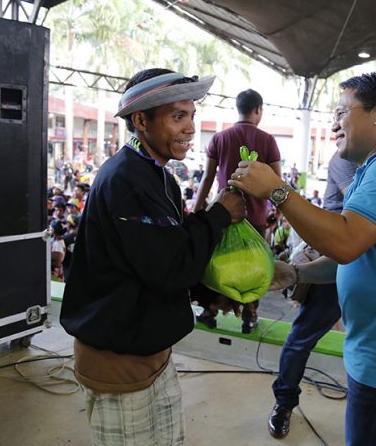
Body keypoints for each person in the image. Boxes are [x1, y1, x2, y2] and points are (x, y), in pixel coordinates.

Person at [230, 71, 376, 446]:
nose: (334, 123)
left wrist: (278, 190)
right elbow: (356, 255)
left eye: (341, 111)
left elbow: (346, 243)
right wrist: (297, 273)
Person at [59, 68, 246, 446]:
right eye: (178, 116)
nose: (191, 128)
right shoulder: (126, 180)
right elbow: (169, 267)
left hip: (151, 353)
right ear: (141, 120)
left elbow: (160, 254)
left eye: (192, 115)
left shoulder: (159, 176)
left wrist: (210, 293)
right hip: (119, 360)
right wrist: (220, 215)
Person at [267, 150, 357, 439]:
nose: (337, 126)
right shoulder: (346, 158)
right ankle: (284, 403)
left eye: (344, 115)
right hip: (332, 259)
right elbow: (361, 203)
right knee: (302, 337)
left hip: (371, 266)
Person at [193, 88, 281, 332]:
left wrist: (199, 210)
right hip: (255, 219)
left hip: (223, 215)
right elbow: (278, 182)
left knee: (218, 264)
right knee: (255, 268)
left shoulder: (219, 138)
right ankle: (249, 315)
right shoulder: (268, 141)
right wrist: (278, 212)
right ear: (258, 110)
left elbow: (208, 177)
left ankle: (210, 310)